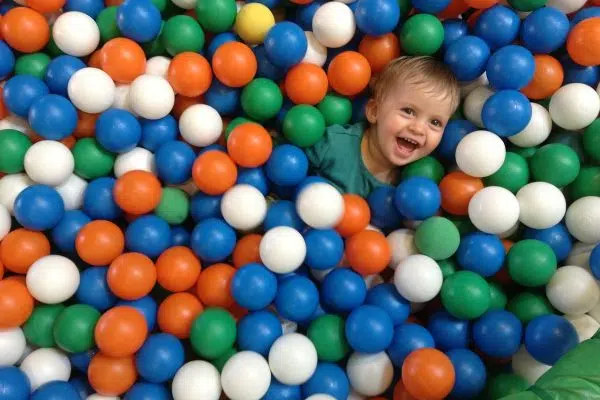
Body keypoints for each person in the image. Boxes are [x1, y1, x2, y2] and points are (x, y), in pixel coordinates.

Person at [306, 56, 461, 198]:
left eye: (435, 122)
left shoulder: (416, 185)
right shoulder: (333, 144)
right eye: (408, 111)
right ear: (374, 111)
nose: (418, 129)